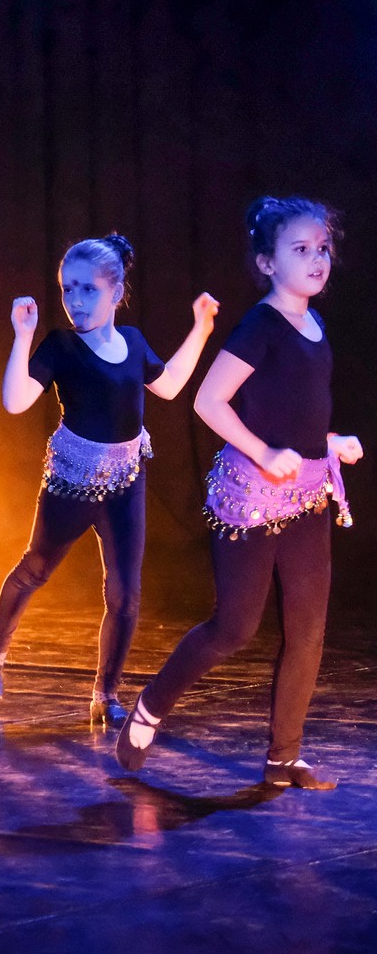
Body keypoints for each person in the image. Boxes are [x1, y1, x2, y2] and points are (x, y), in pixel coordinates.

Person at [116, 198, 360, 789]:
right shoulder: (261, 326)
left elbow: (291, 410)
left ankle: (284, 757)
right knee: (235, 628)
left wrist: (329, 442)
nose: (317, 259)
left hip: (306, 496)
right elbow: (209, 400)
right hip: (251, 499)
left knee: (308, 631)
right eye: (300, 249)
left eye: (322, 248)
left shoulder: (315, 326)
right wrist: (264, 453)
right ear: (267, 262)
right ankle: (150, 705)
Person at [0, 235, 218, 725]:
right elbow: (15, 401)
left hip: (126, 479)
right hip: (71, 481)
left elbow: (171, 385)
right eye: (68, 289)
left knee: (125, 595)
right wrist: (22, 336)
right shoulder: (61, 346)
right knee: (35, 569)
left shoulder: (132, 342)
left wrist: (201, 328)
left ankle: (105, 694)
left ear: (116, 292)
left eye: (88, 289)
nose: (76, 300)